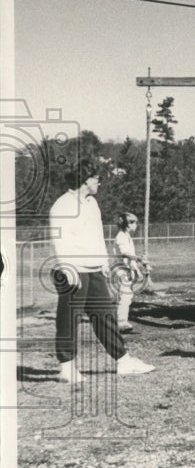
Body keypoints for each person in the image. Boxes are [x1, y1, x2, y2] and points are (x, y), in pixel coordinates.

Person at [48, 161, 156, 385]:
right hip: (72, 271)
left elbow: (97, 236)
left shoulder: (92, 203)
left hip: (94, 269)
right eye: (97, 178)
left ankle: (124, 361)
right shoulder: (63, 205)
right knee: (70, 319)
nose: (100, 182)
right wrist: (67, 268)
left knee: (106, 317)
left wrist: (104, 261)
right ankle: (66, 368)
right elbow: (59, 239)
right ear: (86, 180)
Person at [111, 211, 150, 333]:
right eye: (134, 223)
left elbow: (129, 255)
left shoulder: (127, 236)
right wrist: (137, 258)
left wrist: (137, 267)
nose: (136, 225)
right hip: (121, 269)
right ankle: (121, 322)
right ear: (127, 224)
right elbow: (124, 253)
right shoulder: (121, 237)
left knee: (126, 295)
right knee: (125, 295)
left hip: (126, 269)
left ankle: (119, 320)